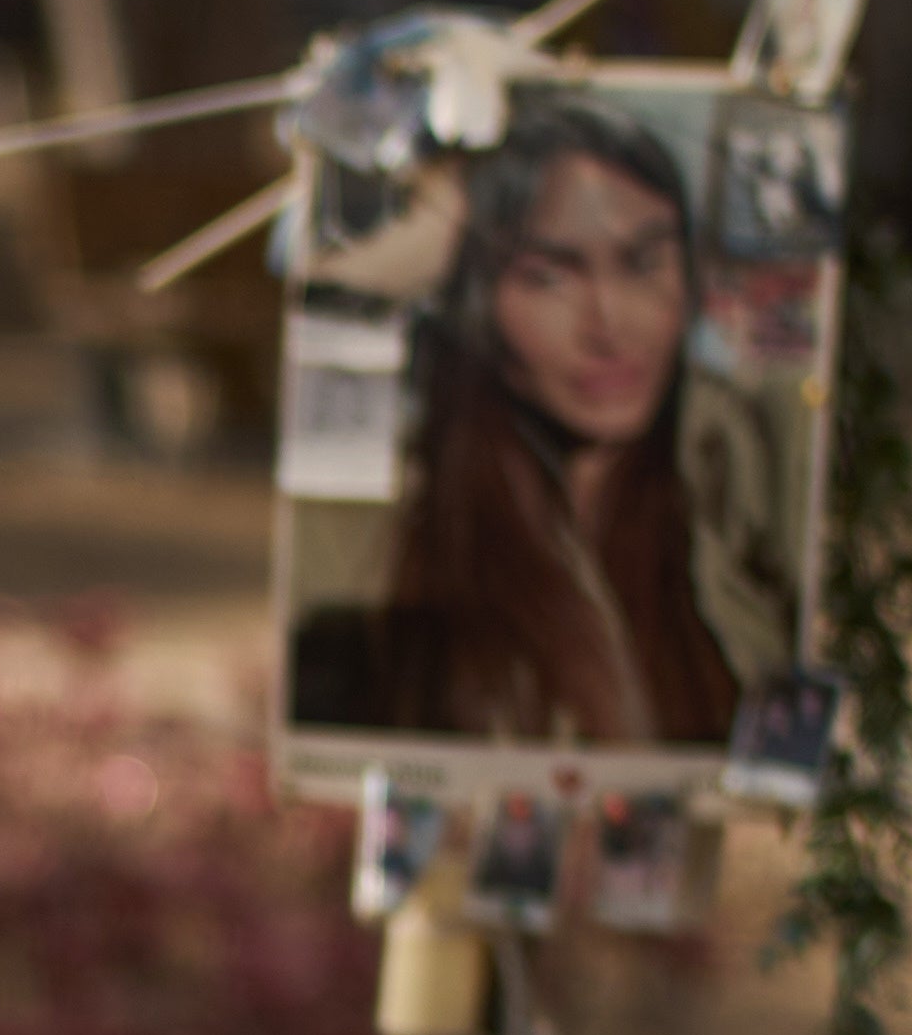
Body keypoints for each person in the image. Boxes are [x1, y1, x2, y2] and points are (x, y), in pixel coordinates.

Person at [314, 95, 785, 746]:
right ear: (476, 301)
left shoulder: (729, 489)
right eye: (548, 277)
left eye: (644, 262)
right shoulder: (413, 529)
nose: (608, 325)